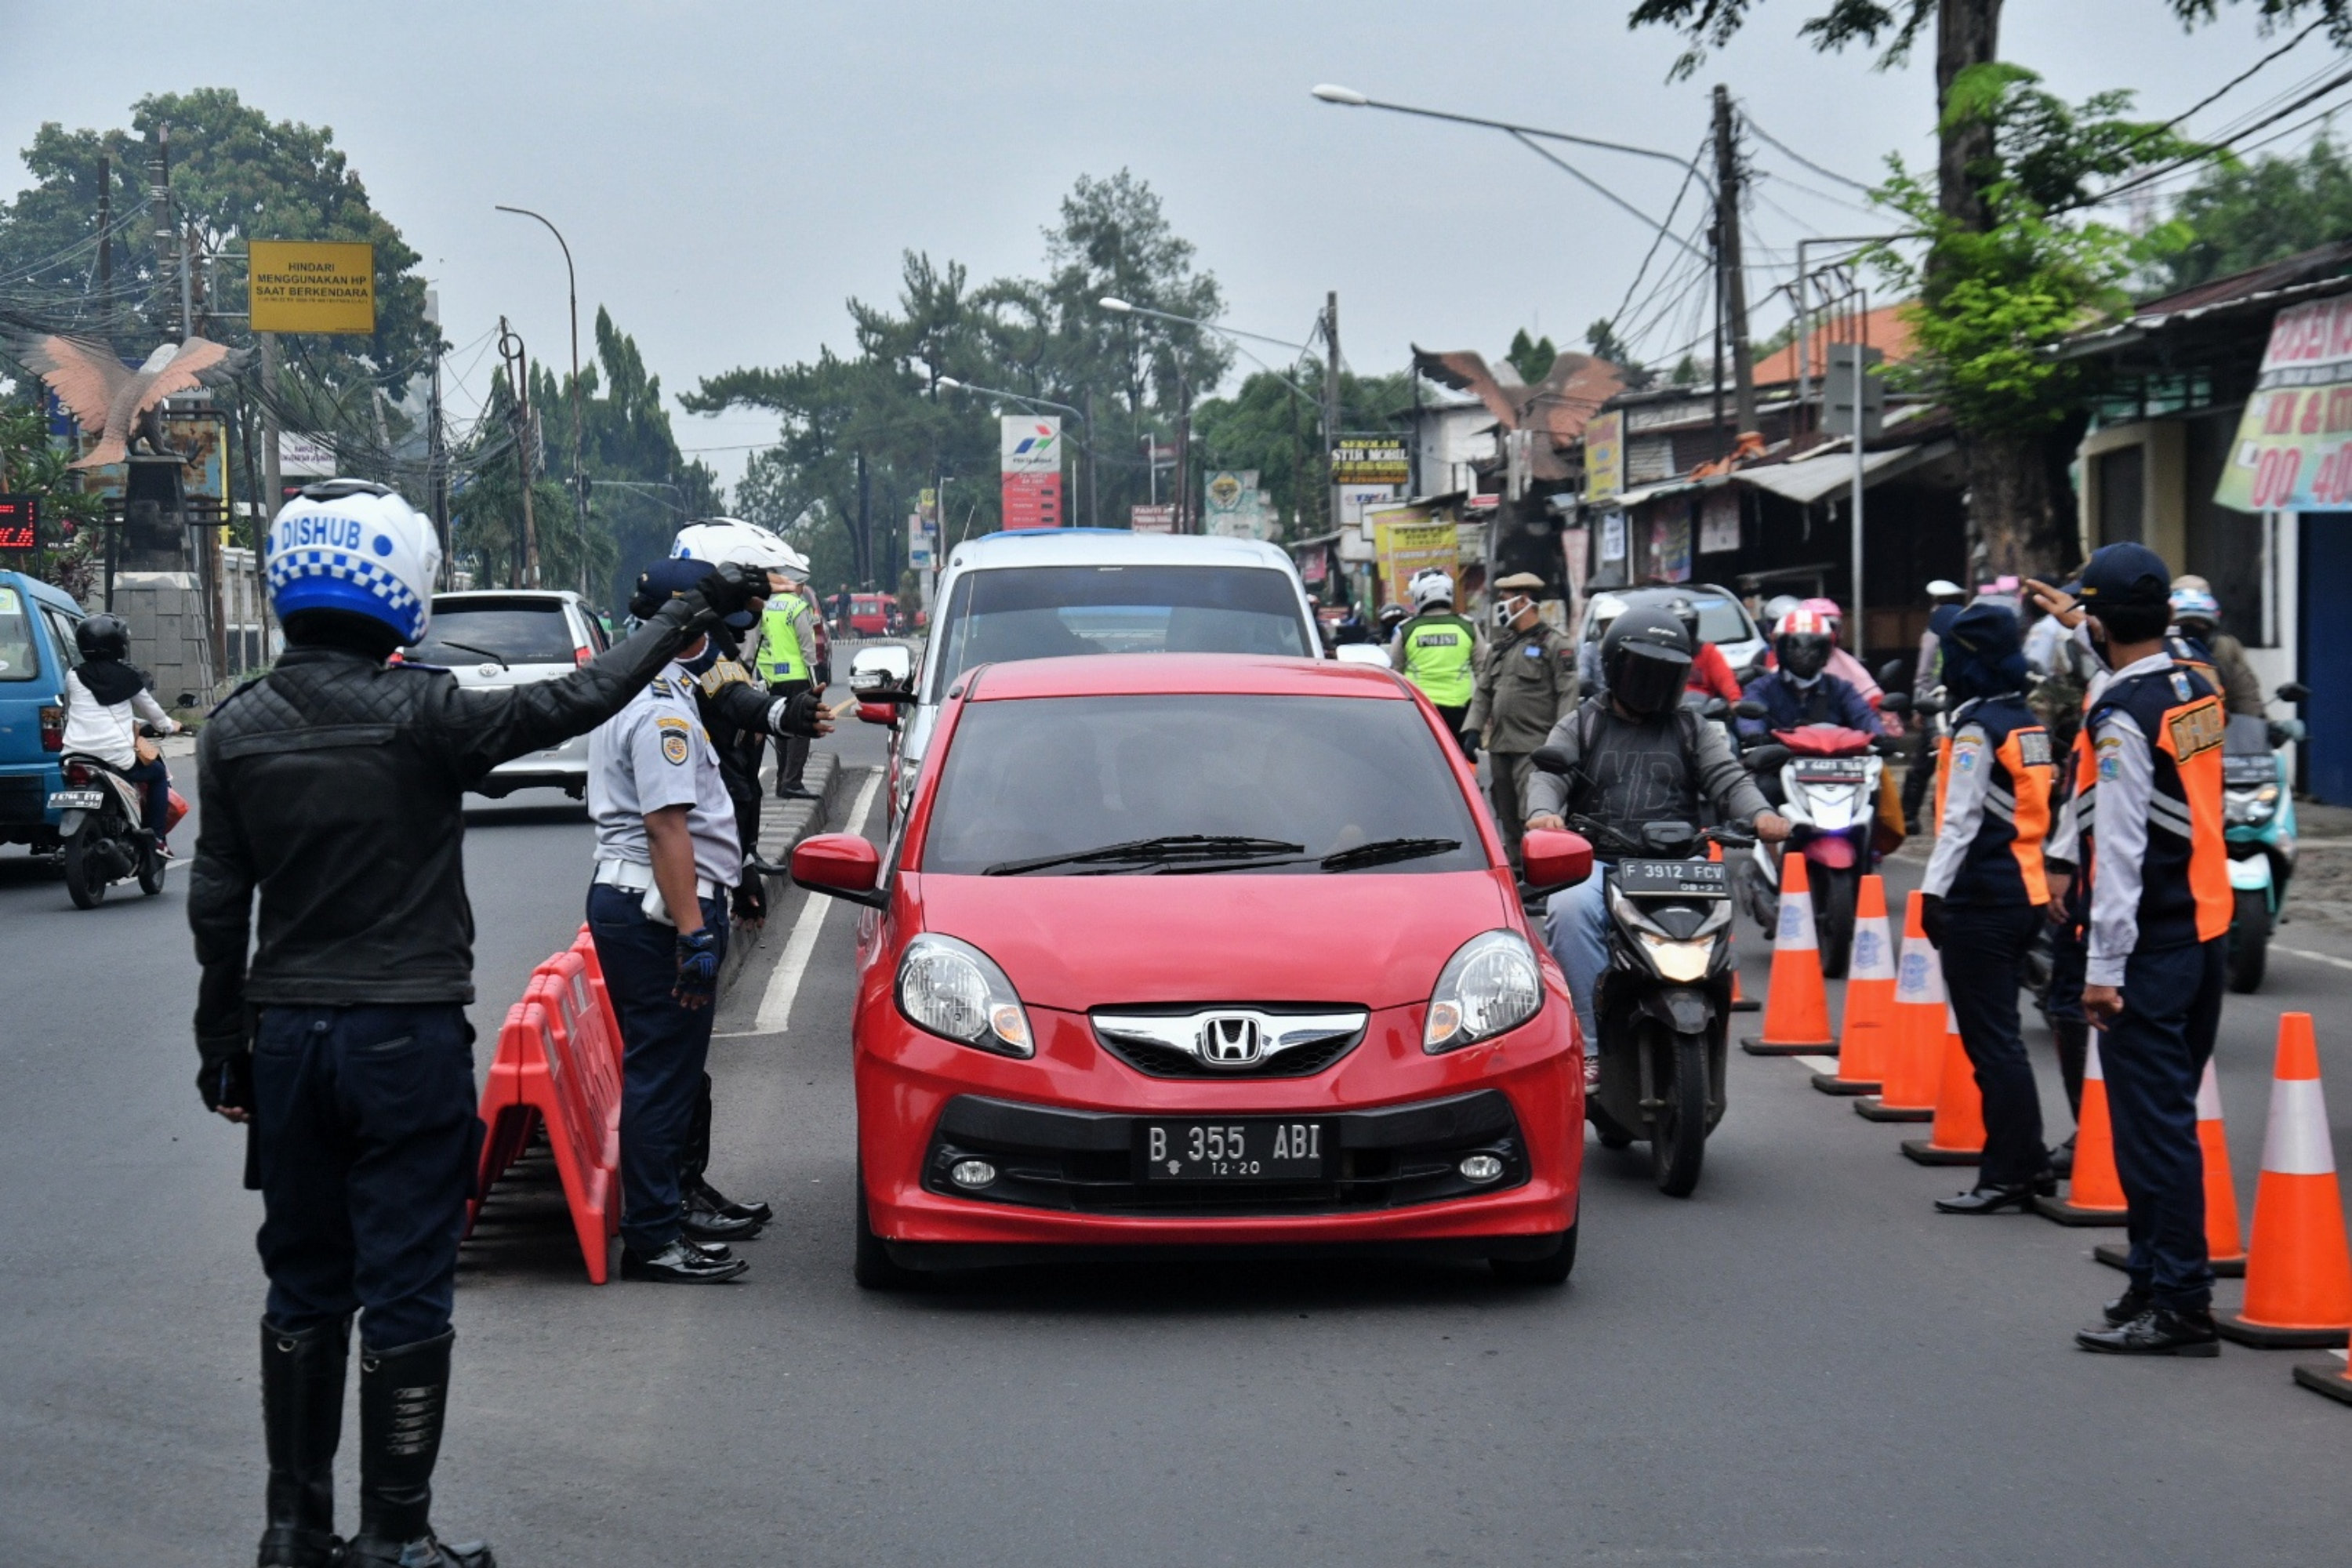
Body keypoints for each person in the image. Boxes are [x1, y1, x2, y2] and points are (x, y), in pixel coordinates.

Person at [190, 479, 760, 1568]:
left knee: (302, 1284)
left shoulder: (235, 731)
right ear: (402, 590)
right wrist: (681, 620)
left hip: (287, 1041)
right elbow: (579, 698)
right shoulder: (425, 713)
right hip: (402, 1040)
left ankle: (291, 1535)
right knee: (404, 1282)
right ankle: (396, 1540)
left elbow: (219, 907)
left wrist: (225, 1047)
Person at [586, 559, 823, 1285]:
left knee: (673, 1071)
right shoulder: (659, 707)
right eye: (708, 624)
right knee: (662, 1076)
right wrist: (694, 931)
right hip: (656, 910)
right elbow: (665, 828)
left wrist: (738, 874)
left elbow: (745, 706)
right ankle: (655, 1234)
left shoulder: (647, 685)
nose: (719, 639)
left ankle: (668, 1212)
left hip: (648, 901)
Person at [2039, 545, 2231, 1357]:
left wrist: (2102, 974)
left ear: (2107, 624)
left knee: (2155, 1131)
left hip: (2148, 940)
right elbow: (2133, 650)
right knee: (2163, 1119)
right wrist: (2084, 619)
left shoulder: (2119, 718)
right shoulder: (2196, 682)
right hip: (2207, 929)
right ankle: (2151, 1275)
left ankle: (2183, 1302)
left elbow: (2117, 853)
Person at [1523, 608, 1790, 1071]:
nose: (1652, 683)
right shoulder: (1583, 723)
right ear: (1615, 667)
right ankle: (1588, 1048)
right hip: (1600, 863)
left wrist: (1763, 814)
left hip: (1679, 867)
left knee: (1718, 917)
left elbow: (1729, 780)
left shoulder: (1692, 727)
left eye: (1664, 673)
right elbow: (1549, 774)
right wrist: (1544, 814)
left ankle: (1708, 1031)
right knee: (1567, 909)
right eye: (1643, 671)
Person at [667, 520, 837, 1238]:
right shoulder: (676, 664)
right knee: (672, 1062)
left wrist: (741, 873)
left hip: (715, 864)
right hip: (676, 887)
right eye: (753, 589)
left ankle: (684, 1188)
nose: (763, 605)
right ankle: (665, 1206)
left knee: (688, 1059)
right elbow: (729, 719)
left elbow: (744, 716)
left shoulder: (717, 651)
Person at [1918, 601, 2060, 1214]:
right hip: (2025, 891)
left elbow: (1958, 822)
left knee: (1992, 1044)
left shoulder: (1976, 728)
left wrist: (1931, 893)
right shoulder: (2026, 722)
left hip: (1983, 899)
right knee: (2003, 1040)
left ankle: (2009, 1172)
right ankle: (2027, 1161)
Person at [1465, 572, 1577, 869]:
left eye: (1504, 601)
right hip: (1501, 744)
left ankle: (1539, 871)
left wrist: (1561, 743)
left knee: (1532, 813)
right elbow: (1484, 691)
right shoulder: (1502, 646)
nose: (1500, 607)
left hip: (1536, 745)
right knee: (1505, 810)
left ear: (1522, 602)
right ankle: (1516, 869)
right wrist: (1472, 730)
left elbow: (1568, 693)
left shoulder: (1555, 644)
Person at [60, 612, 183, 851]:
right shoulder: (130, 677)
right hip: (116, 757)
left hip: (75, 755)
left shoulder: (73, 676)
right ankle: (157, 837)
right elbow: (155, 714)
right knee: (157, 774)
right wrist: (170, 726)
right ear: (118, 645)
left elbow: (71, 708)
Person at [1737, 607, 1884, 743]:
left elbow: (1863, 716)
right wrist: (1753, 733)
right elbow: (1749, 717)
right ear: (1779, 649)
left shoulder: (1841, 689)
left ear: (1827, 650)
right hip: (1778, 764)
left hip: (1838, 765)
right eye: (1794, 647)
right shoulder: (1761, 688)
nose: (1804, 655)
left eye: (1814, 647)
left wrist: (1880, 736)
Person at [755, 544, 822, 800]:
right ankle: (793, 782)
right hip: (797, 677)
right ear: (798, 585)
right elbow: (807, 648)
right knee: (801, 730)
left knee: (782, 728)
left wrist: (768, 674)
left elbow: (762, 645)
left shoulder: (767, 607)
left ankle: (783, 780)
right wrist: (815, 681)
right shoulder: (797, 607)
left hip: (776, 679)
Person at [1391, 568, 1480, 750]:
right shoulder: (1467, 626)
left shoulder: (1406, 630)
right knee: (1461, 765)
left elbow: (1395, 672)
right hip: (1461, 714)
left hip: (1420, 710)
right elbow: (1484, 672)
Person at [2169, 577, 2265, 718]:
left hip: (2218, 732)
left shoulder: (2225, 650)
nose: (2191, 628)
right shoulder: (2156, 649)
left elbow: (2246, 696)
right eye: (2183, 622)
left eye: (2198, 622)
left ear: (2211, 627)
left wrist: (2266, 726)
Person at [1669, 597, 1742, 703]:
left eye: (1688, 625)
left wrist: (1735, 700)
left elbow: (1725, 679)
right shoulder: (1660, 655)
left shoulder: (1707, 652)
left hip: (1704, 712)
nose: (1684, 631)